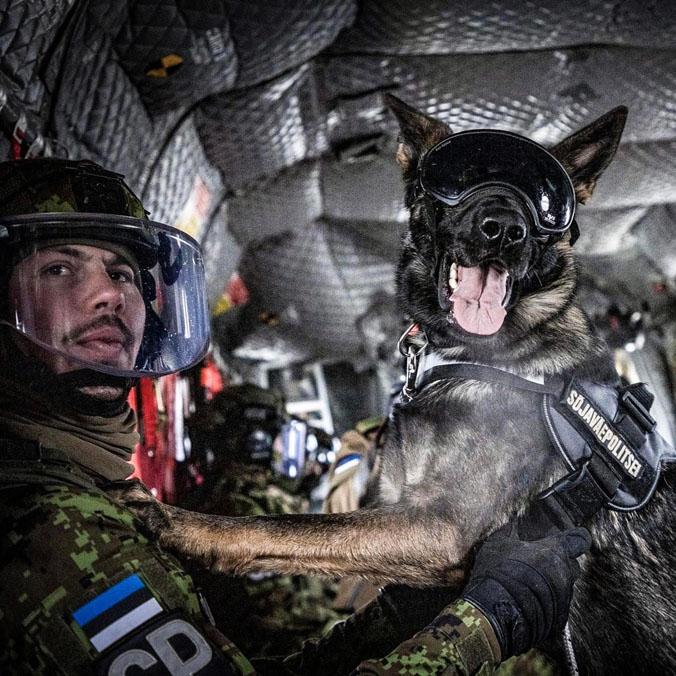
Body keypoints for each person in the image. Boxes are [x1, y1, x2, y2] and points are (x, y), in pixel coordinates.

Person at [0, 157, 590, 676]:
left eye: (122, 272)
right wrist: (478, 629)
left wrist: (405, 616)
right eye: (60, 269)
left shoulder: (86, 489)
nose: (108, 294)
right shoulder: (48, 532)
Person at [183, 382, 349, 656]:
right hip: (283, 658)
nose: (284, 446)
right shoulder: (236, 508)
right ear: (255, 440)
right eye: (280, 435)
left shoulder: (262, 498)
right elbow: (279, 616)